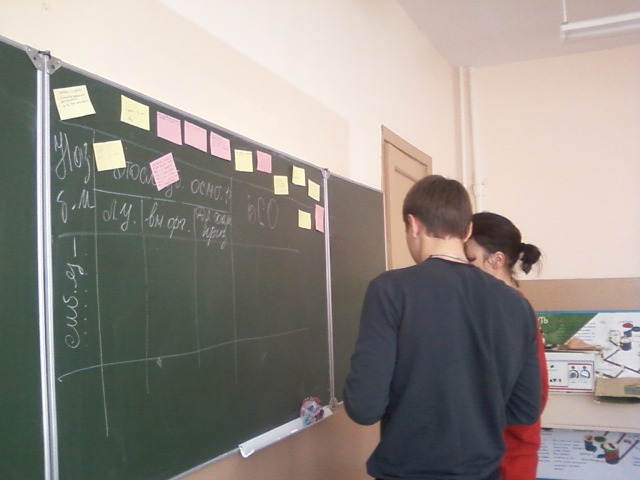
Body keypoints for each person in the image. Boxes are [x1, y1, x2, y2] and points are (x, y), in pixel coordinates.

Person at [343, 175, 542, 480]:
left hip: (408, 471)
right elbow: (525, 408)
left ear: (413, 225)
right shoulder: (516, 304)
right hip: (484, 472)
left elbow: (364, 407)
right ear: (467, 230)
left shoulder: (390, 290)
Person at [464, 211, 549, 480]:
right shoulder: (495, 309)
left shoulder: (510, 312)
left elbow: (534, 398)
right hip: (491, 452)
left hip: (508, 456)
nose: (462, 270)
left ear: (497, 260)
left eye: (469, 260)